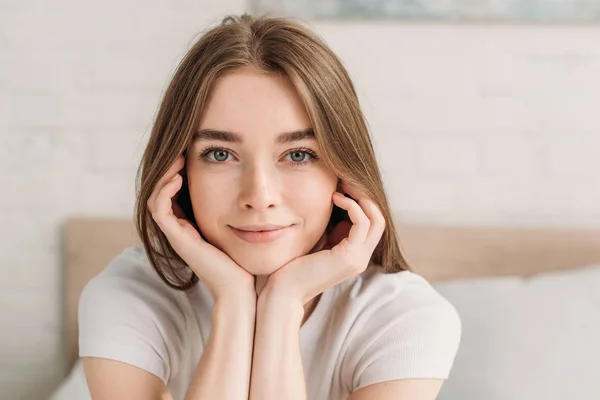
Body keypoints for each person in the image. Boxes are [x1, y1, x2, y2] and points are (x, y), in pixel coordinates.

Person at [78, 13, 461, 400]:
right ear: (179, 170)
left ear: (344, 172)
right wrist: (233, 303)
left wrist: (283, 303)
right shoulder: (127, 296)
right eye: (219, 153)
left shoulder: (404, 319)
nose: (260, 196)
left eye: (297, 154)